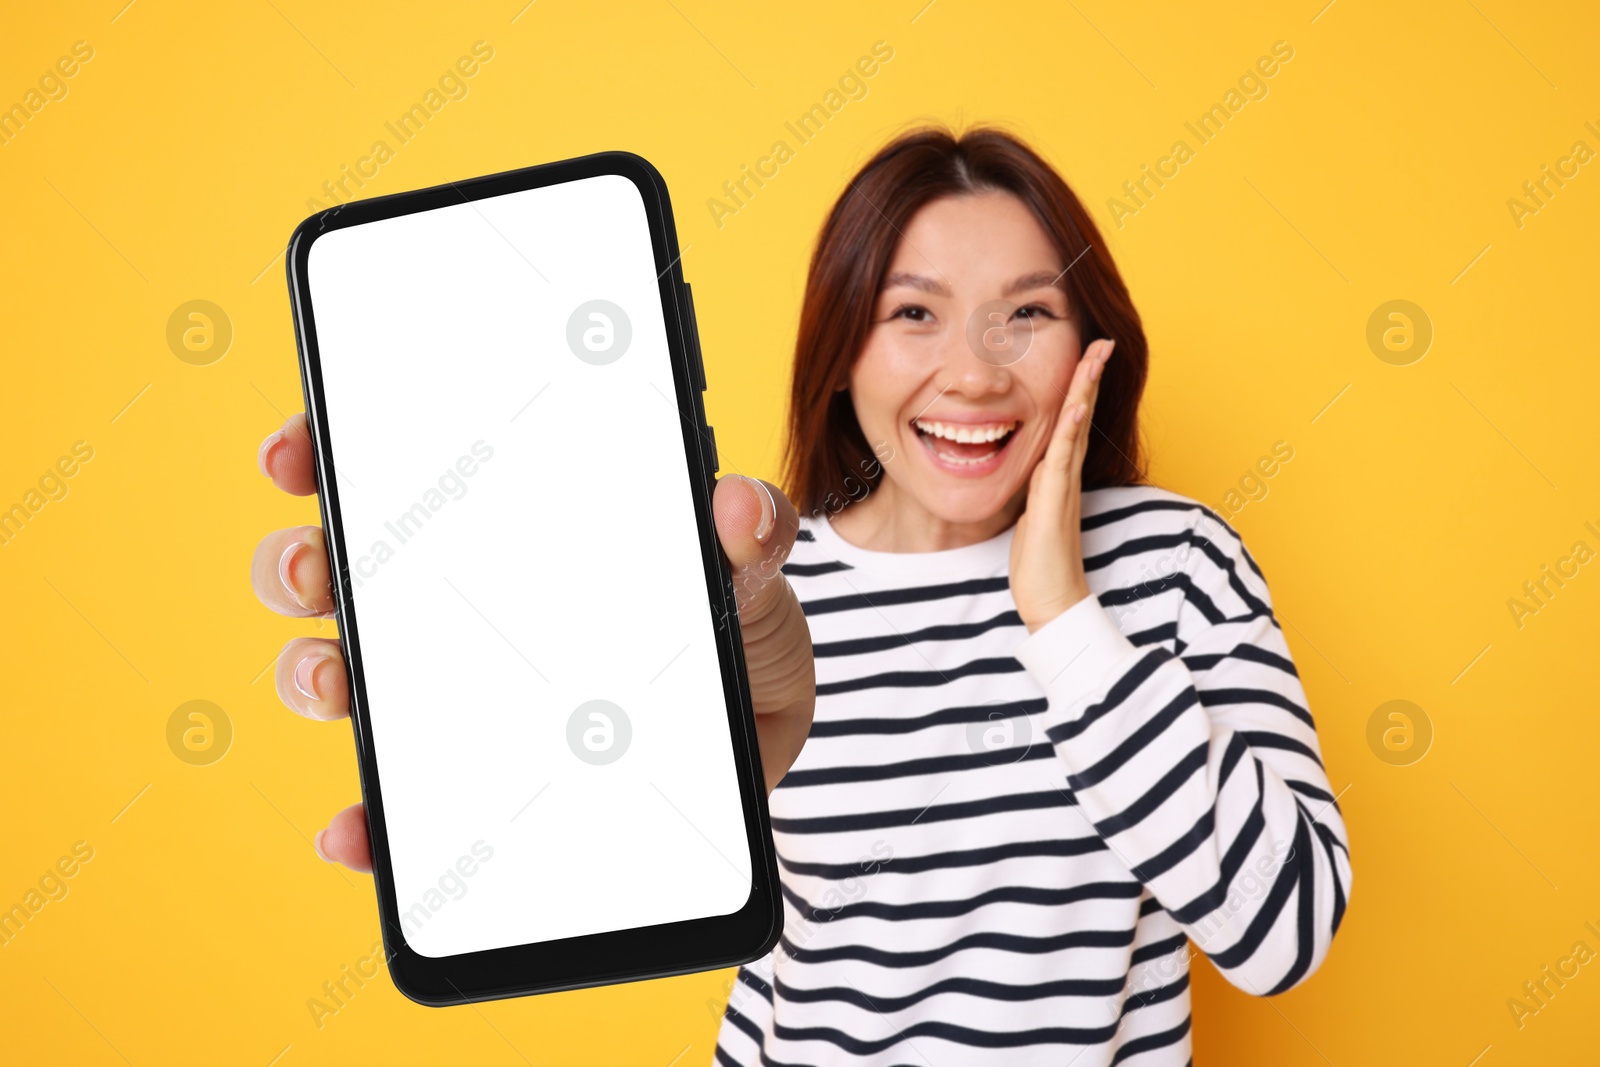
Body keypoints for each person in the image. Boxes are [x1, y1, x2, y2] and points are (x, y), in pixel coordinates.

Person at [253, 124, 1351, 1066]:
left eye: (1026, 313)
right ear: (838, 353)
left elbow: (1283, 930)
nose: (973, 372)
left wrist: (1064, 615)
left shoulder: (1172, 562)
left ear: (1091, 350)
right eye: (912, 314)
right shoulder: (765, 591)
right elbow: (739, 953)